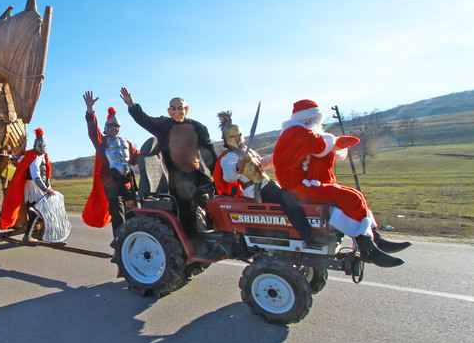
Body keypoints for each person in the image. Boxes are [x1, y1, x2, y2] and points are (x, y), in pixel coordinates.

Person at [272, 99, 411, 267]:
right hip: (299, 187)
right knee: (349, 198)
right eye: (316, 119)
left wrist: (337, 144)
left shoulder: (300, 132)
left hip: (309, 183)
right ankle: (366, 248)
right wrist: (337, 142)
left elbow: (319, 144)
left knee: (357, 195)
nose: (318, 123)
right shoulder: (295, 133)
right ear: (307, 119)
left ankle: (374, 238)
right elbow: (319, 144)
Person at [213, 111, 334, 247]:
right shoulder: (229, 157)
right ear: (227, 138)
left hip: (266, 183)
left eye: (239, 135)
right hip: (255, 188)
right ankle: (309, 237)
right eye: (234, 136)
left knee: (295, 195)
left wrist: (278, 155)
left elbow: (261, 163)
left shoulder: (249, 151)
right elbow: (228, 176)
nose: (238, 139)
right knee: (288, 200)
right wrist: (238, 166)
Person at [120, 88, 218, 250]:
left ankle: (216, 231)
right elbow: (145, 119)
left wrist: (219, 176)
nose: (177, 111)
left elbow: (209, 156)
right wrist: (131, 105)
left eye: (180, 107)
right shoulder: (163, 126)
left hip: (196, 173)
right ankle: (191, 245)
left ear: (186, 109)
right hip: (177, 178)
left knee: (213, 197)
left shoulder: (198, 128)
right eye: (173, 108)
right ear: (169, 111)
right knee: (186, 207)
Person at [82, 91, 140, 235]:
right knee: (118, 216)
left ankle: (134, 244)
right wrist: (90, 110)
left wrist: (157, 153)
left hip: (128, 184)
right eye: (110, 125)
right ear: (106, 128)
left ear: (119, 127)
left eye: (116, 125)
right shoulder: (102, 142)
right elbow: (92, 130)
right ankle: (120, 246)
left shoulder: (127, 143)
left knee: (133, 214)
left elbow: (138, 158)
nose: (113, 127)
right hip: (112, 185)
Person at [0, 128, 55, 241]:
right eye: (41, 145)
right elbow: (36, 178)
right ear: (36, 145)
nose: (43, 148)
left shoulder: (35, 156)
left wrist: (12, 156)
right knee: (38, 209)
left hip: (33, 186)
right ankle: (28, 235)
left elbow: (19, 159)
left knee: (33, 208)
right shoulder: (34, 158)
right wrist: (46, 189)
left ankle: (29, 235)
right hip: (34, 186)